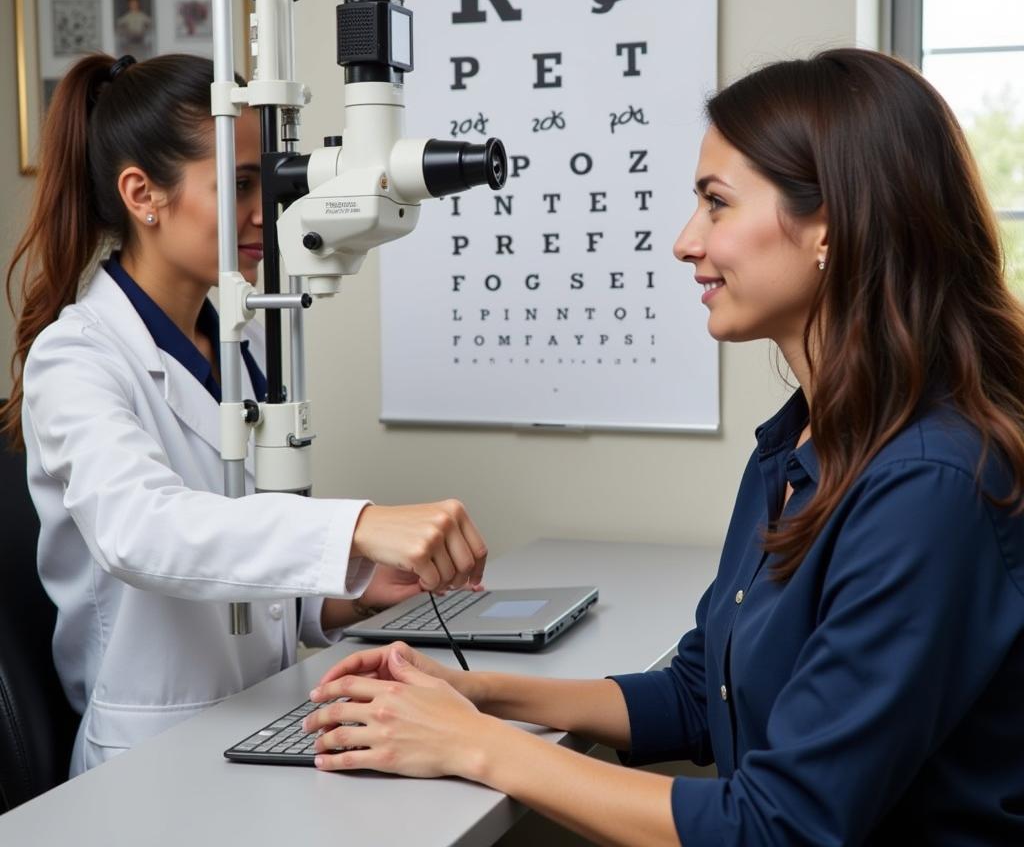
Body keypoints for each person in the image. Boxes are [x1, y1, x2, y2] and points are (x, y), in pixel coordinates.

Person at [301, 48, 1024, 846]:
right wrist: (470, 695)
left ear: (833, 225)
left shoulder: (930, 485)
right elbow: (698, 695)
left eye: (717, 204)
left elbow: (780, 828)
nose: (685, 242)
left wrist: (471, 746)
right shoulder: (801, 443)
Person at [0, 52, 487, 776]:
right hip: (147, 760)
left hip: (264, 715)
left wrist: (343, 593)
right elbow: (143, 531)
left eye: (273, 182)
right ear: (143, 194)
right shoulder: (77, 357)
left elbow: (245, 564)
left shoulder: (243, 337)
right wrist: (357, 525)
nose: (269, 211)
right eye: (239, 185)